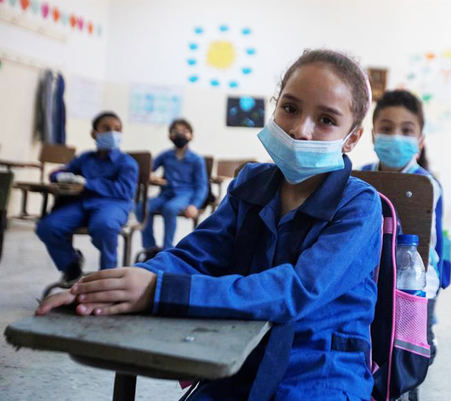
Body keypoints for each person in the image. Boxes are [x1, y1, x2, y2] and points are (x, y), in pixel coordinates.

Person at [37, 49, 382, 401]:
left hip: (319, 370)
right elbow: (194, 255)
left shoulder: (359, 205)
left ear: (352, 138)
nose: (300, 130)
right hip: (238, 357)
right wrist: (120, 285)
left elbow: (298, 289)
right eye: (290, 108)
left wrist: (161, 291)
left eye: (326, 120)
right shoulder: (252, 183)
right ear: (275, 107)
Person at [361, 90, 444, 401]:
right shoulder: (360, 178)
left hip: (415, 281)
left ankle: (405, 386)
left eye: (406, 130)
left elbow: (433, 246)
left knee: (412, 347)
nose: (395, 137)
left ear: (420, 139)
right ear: (372, 134)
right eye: (386, 128)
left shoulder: (428, 185)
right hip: (372, 277)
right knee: (374, 340)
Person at [36, 111, 138, 283]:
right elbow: (64, 172)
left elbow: (126, 190)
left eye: (117, 129)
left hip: (113, 204)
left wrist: (88, 184)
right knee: (47, 227)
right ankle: (71, 264)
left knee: (104, 226)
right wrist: (59, 175)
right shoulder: (85, 158)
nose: (112, 133)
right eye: (106, 128)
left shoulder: (127, 162)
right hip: (82, 204)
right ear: (94, 133)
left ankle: (108, 277)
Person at [138, 118, 207, 250]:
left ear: (191, 135)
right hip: (166, 193)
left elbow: (201, 185)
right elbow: (148, 169)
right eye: (176, 131)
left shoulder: (197, 160)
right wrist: (151, 176)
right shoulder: (166, 155)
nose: (180, 134)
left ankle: (167, 248)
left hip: (185, 194)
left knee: (170, 208)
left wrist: (194, 205)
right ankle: (150, 247)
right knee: (142, 207)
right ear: (170, 136)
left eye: (185, 131)